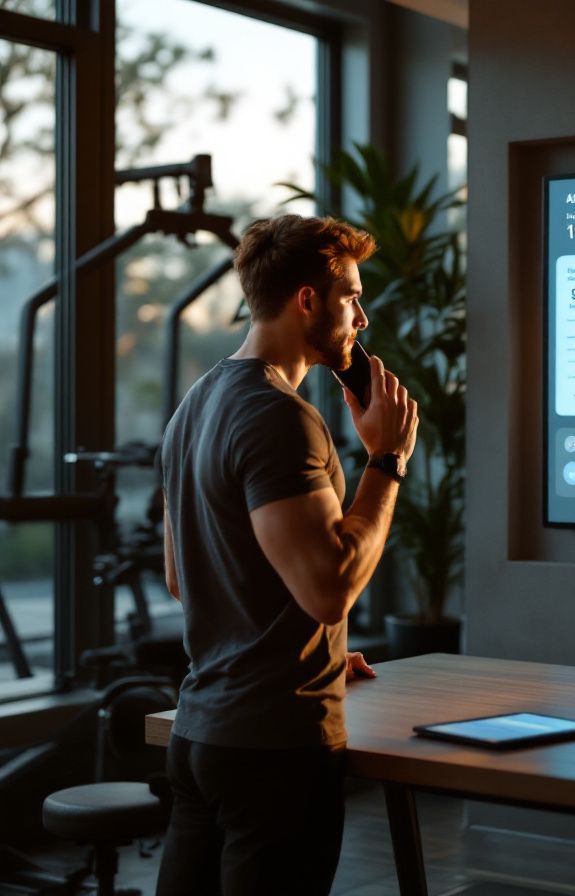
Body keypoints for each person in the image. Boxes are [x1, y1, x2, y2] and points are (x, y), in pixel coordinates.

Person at [156, 215, 419, 896]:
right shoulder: (278, 416)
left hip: (202, 738)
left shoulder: (195, 405)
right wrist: (386, 462)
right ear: (308, 300)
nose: (360, 318)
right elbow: (328, 589)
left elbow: (182, 578)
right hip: (273, 749)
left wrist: (314, 650)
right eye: (351, 297)